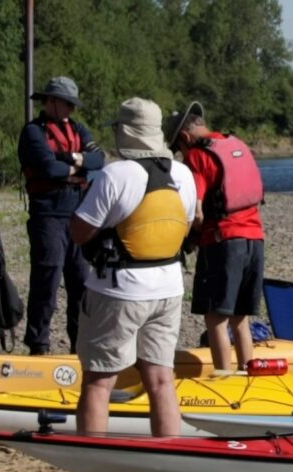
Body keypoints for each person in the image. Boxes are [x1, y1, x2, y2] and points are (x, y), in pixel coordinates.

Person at [67, 97, 198, 438]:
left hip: (119, 289)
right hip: (169, 287)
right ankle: (168, 459)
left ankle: (91, 469)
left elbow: (80, 233)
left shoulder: (116, 173)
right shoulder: (183, 173)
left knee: (99, 380)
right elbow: (186, 225)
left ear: (123, 133)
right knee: (160, 378)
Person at [172, 102, 269, 375]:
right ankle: (250, 374)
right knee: (240, 319)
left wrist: (187, 237)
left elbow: (197, 211)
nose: (181, 155)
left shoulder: (198, 157)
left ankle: (225, 377)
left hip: (224, 242)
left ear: (185, 138)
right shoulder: (236, 144)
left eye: (179, 148)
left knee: (215, 318)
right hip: (255, 239)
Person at [17, 77, 96, 356]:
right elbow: (49, 170)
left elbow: (98, 162)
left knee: (81, 282)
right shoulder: (33, 132)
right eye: (67, 104)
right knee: (46, 280)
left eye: (73, 105)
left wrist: (69, 161)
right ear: (50, 102)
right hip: (47, 214)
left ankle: (79, 345)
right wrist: (78, 162)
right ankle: (38, 346)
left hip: (77, 213)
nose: (71, 110)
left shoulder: (79, 129)